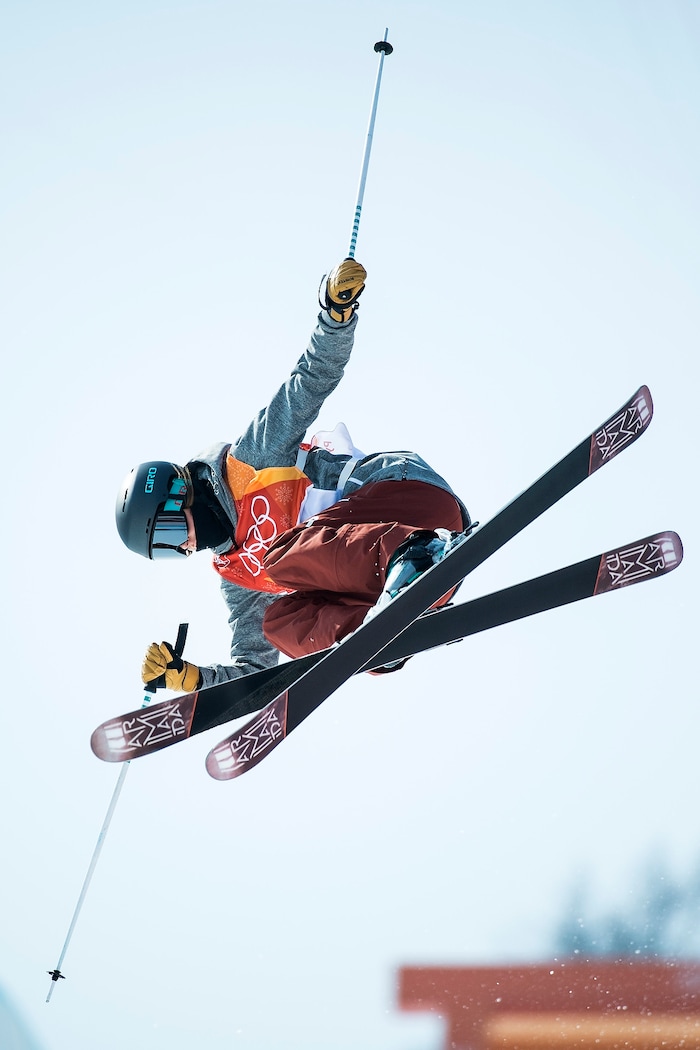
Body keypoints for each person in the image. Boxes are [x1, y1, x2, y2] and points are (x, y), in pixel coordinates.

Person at [116, 259, 471, 692]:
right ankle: (380, 638)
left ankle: (412, 556)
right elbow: (256, 671)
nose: (187, 546)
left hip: (406, 497)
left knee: (280, 557)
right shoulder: (236, 577)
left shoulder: (251, 461)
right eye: (173, 551)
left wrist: (335, 316)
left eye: (172, 531)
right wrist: (191, 679)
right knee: (276, 621)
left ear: (181, 492)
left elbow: (311, 380)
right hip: (388, 573)